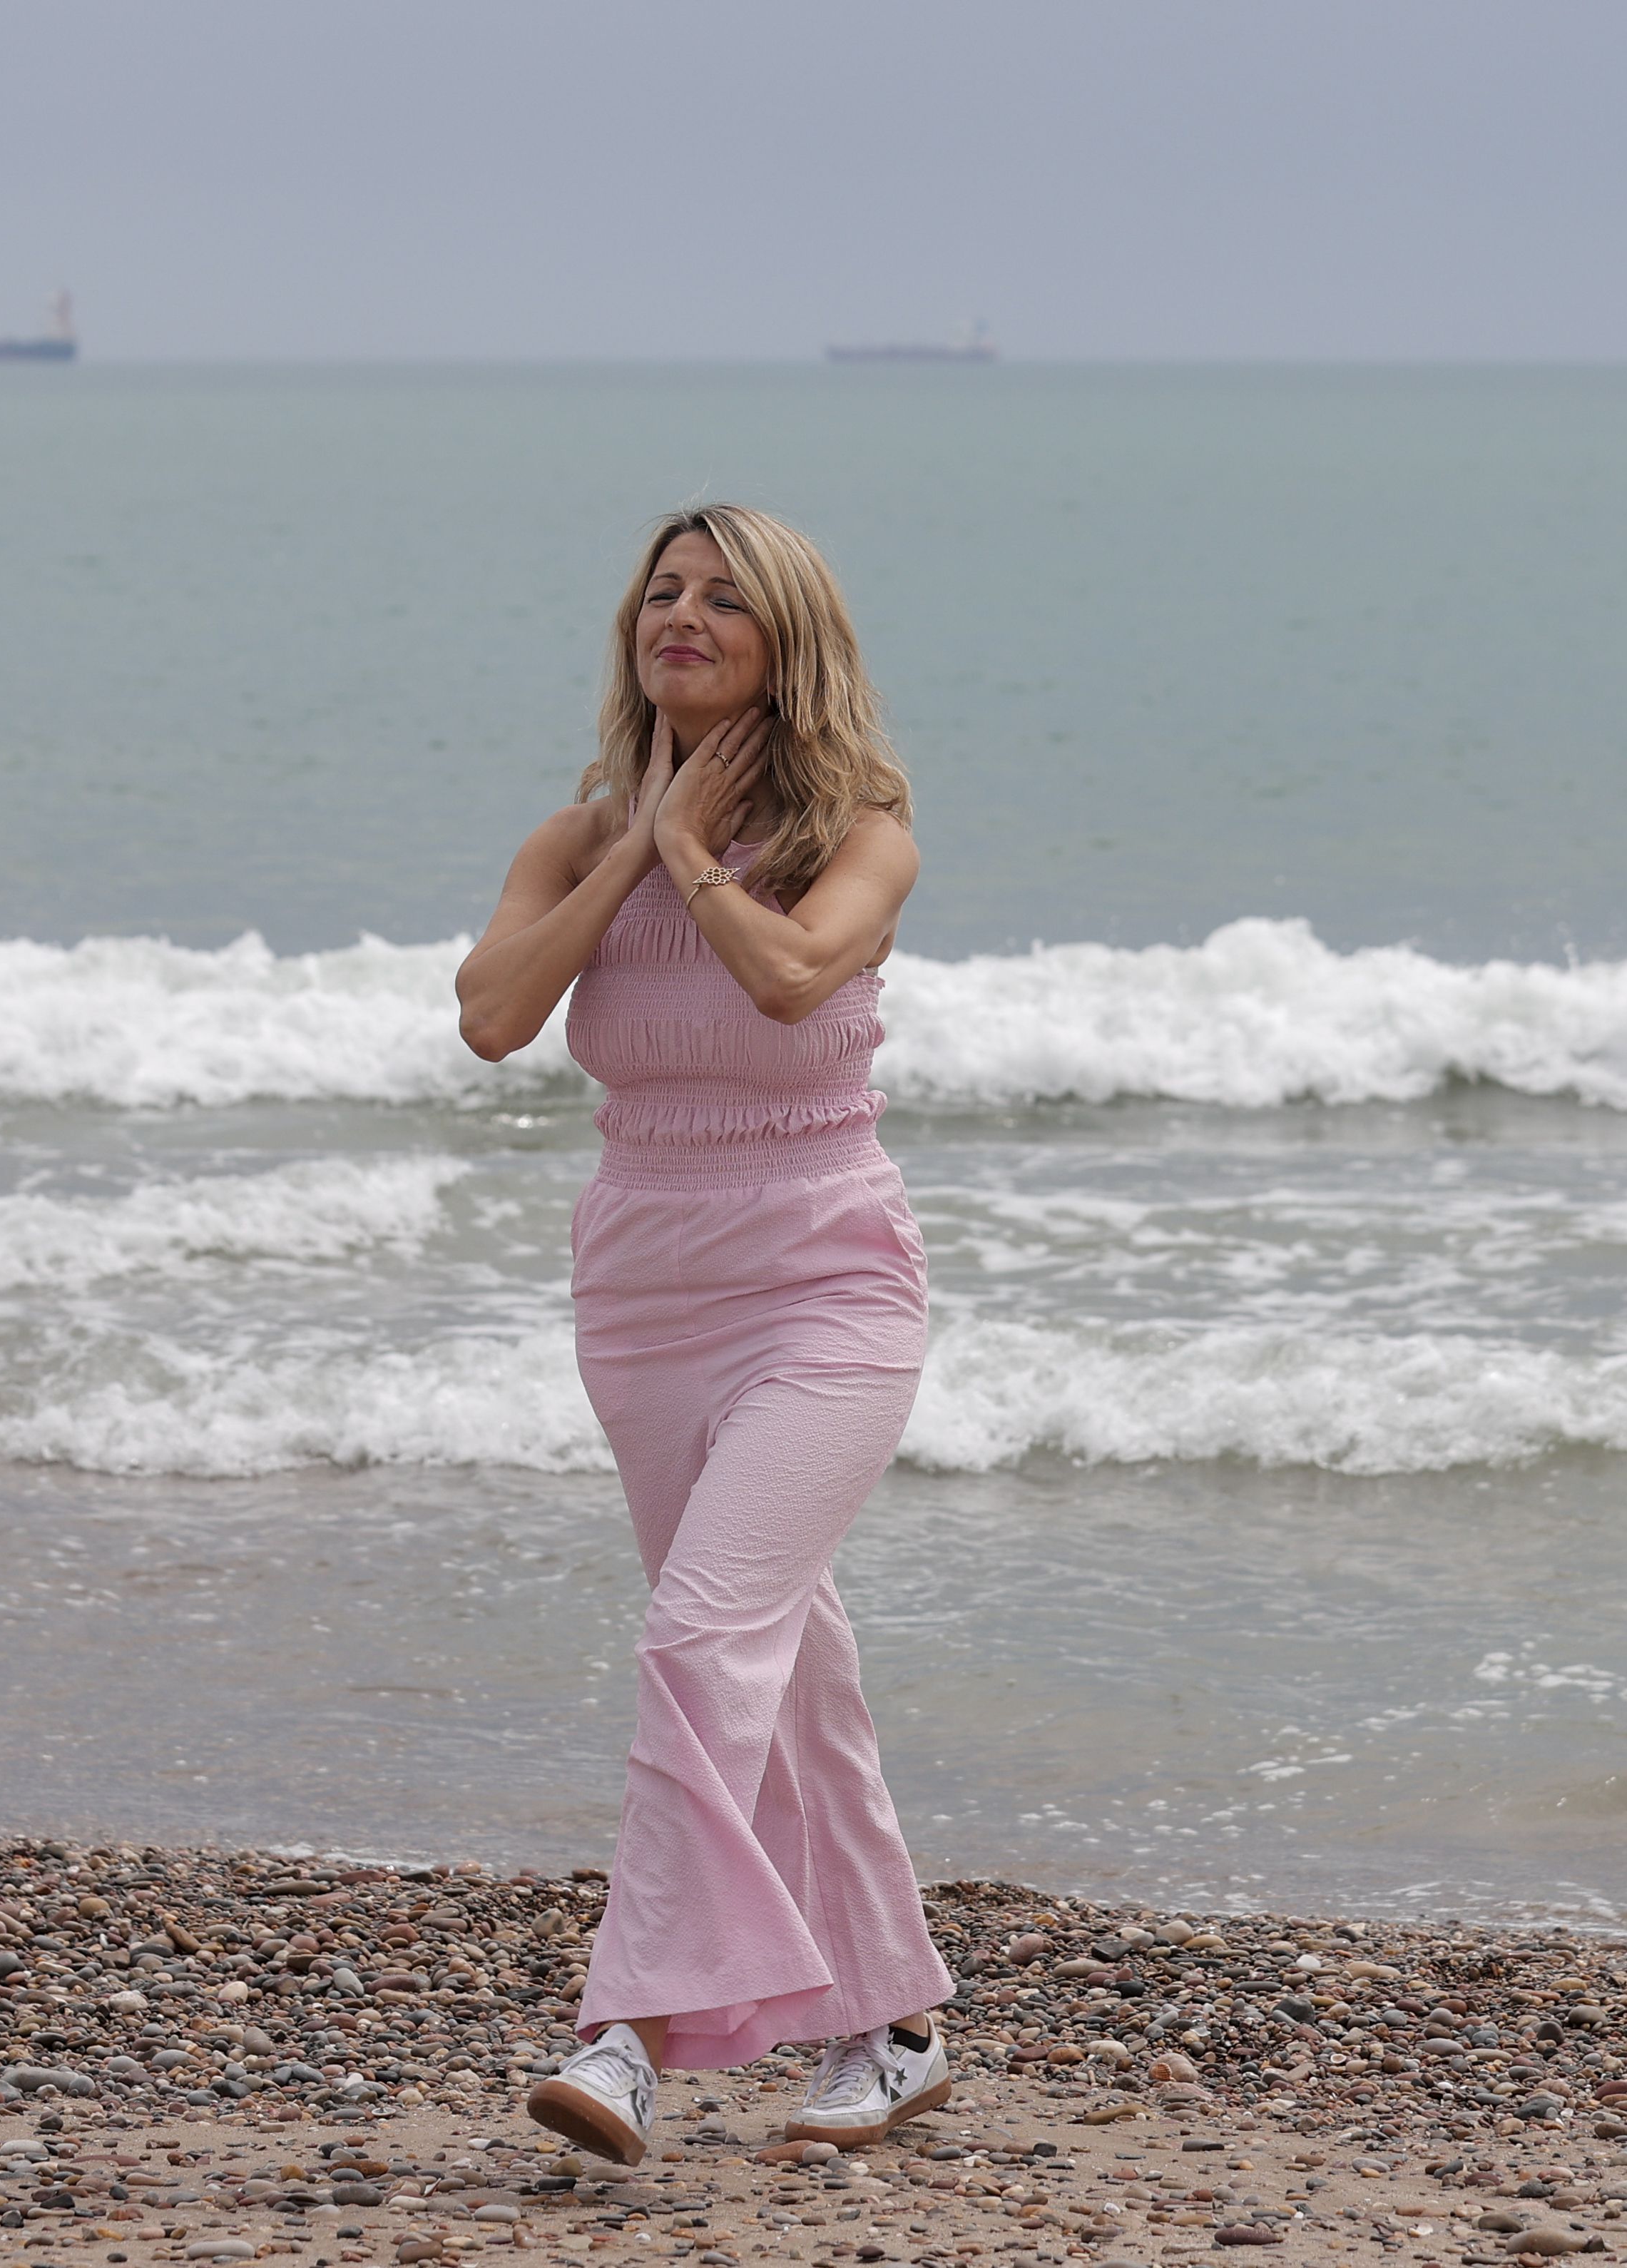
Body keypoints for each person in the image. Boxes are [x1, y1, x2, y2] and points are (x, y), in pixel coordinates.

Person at [454, 504, 950, 2166]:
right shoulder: (570, 838)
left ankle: (628, 2034)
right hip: (644, 1286)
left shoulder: (862, 830)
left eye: (724, 598)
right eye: (661, 591)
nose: (682, 612)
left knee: (698, 1642)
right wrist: (632, 842)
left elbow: (798, 978)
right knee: (784, 1662)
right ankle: (885, 2031)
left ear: (785, 643)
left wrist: (691, 853)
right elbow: (494, 1016)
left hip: (828, 1283)